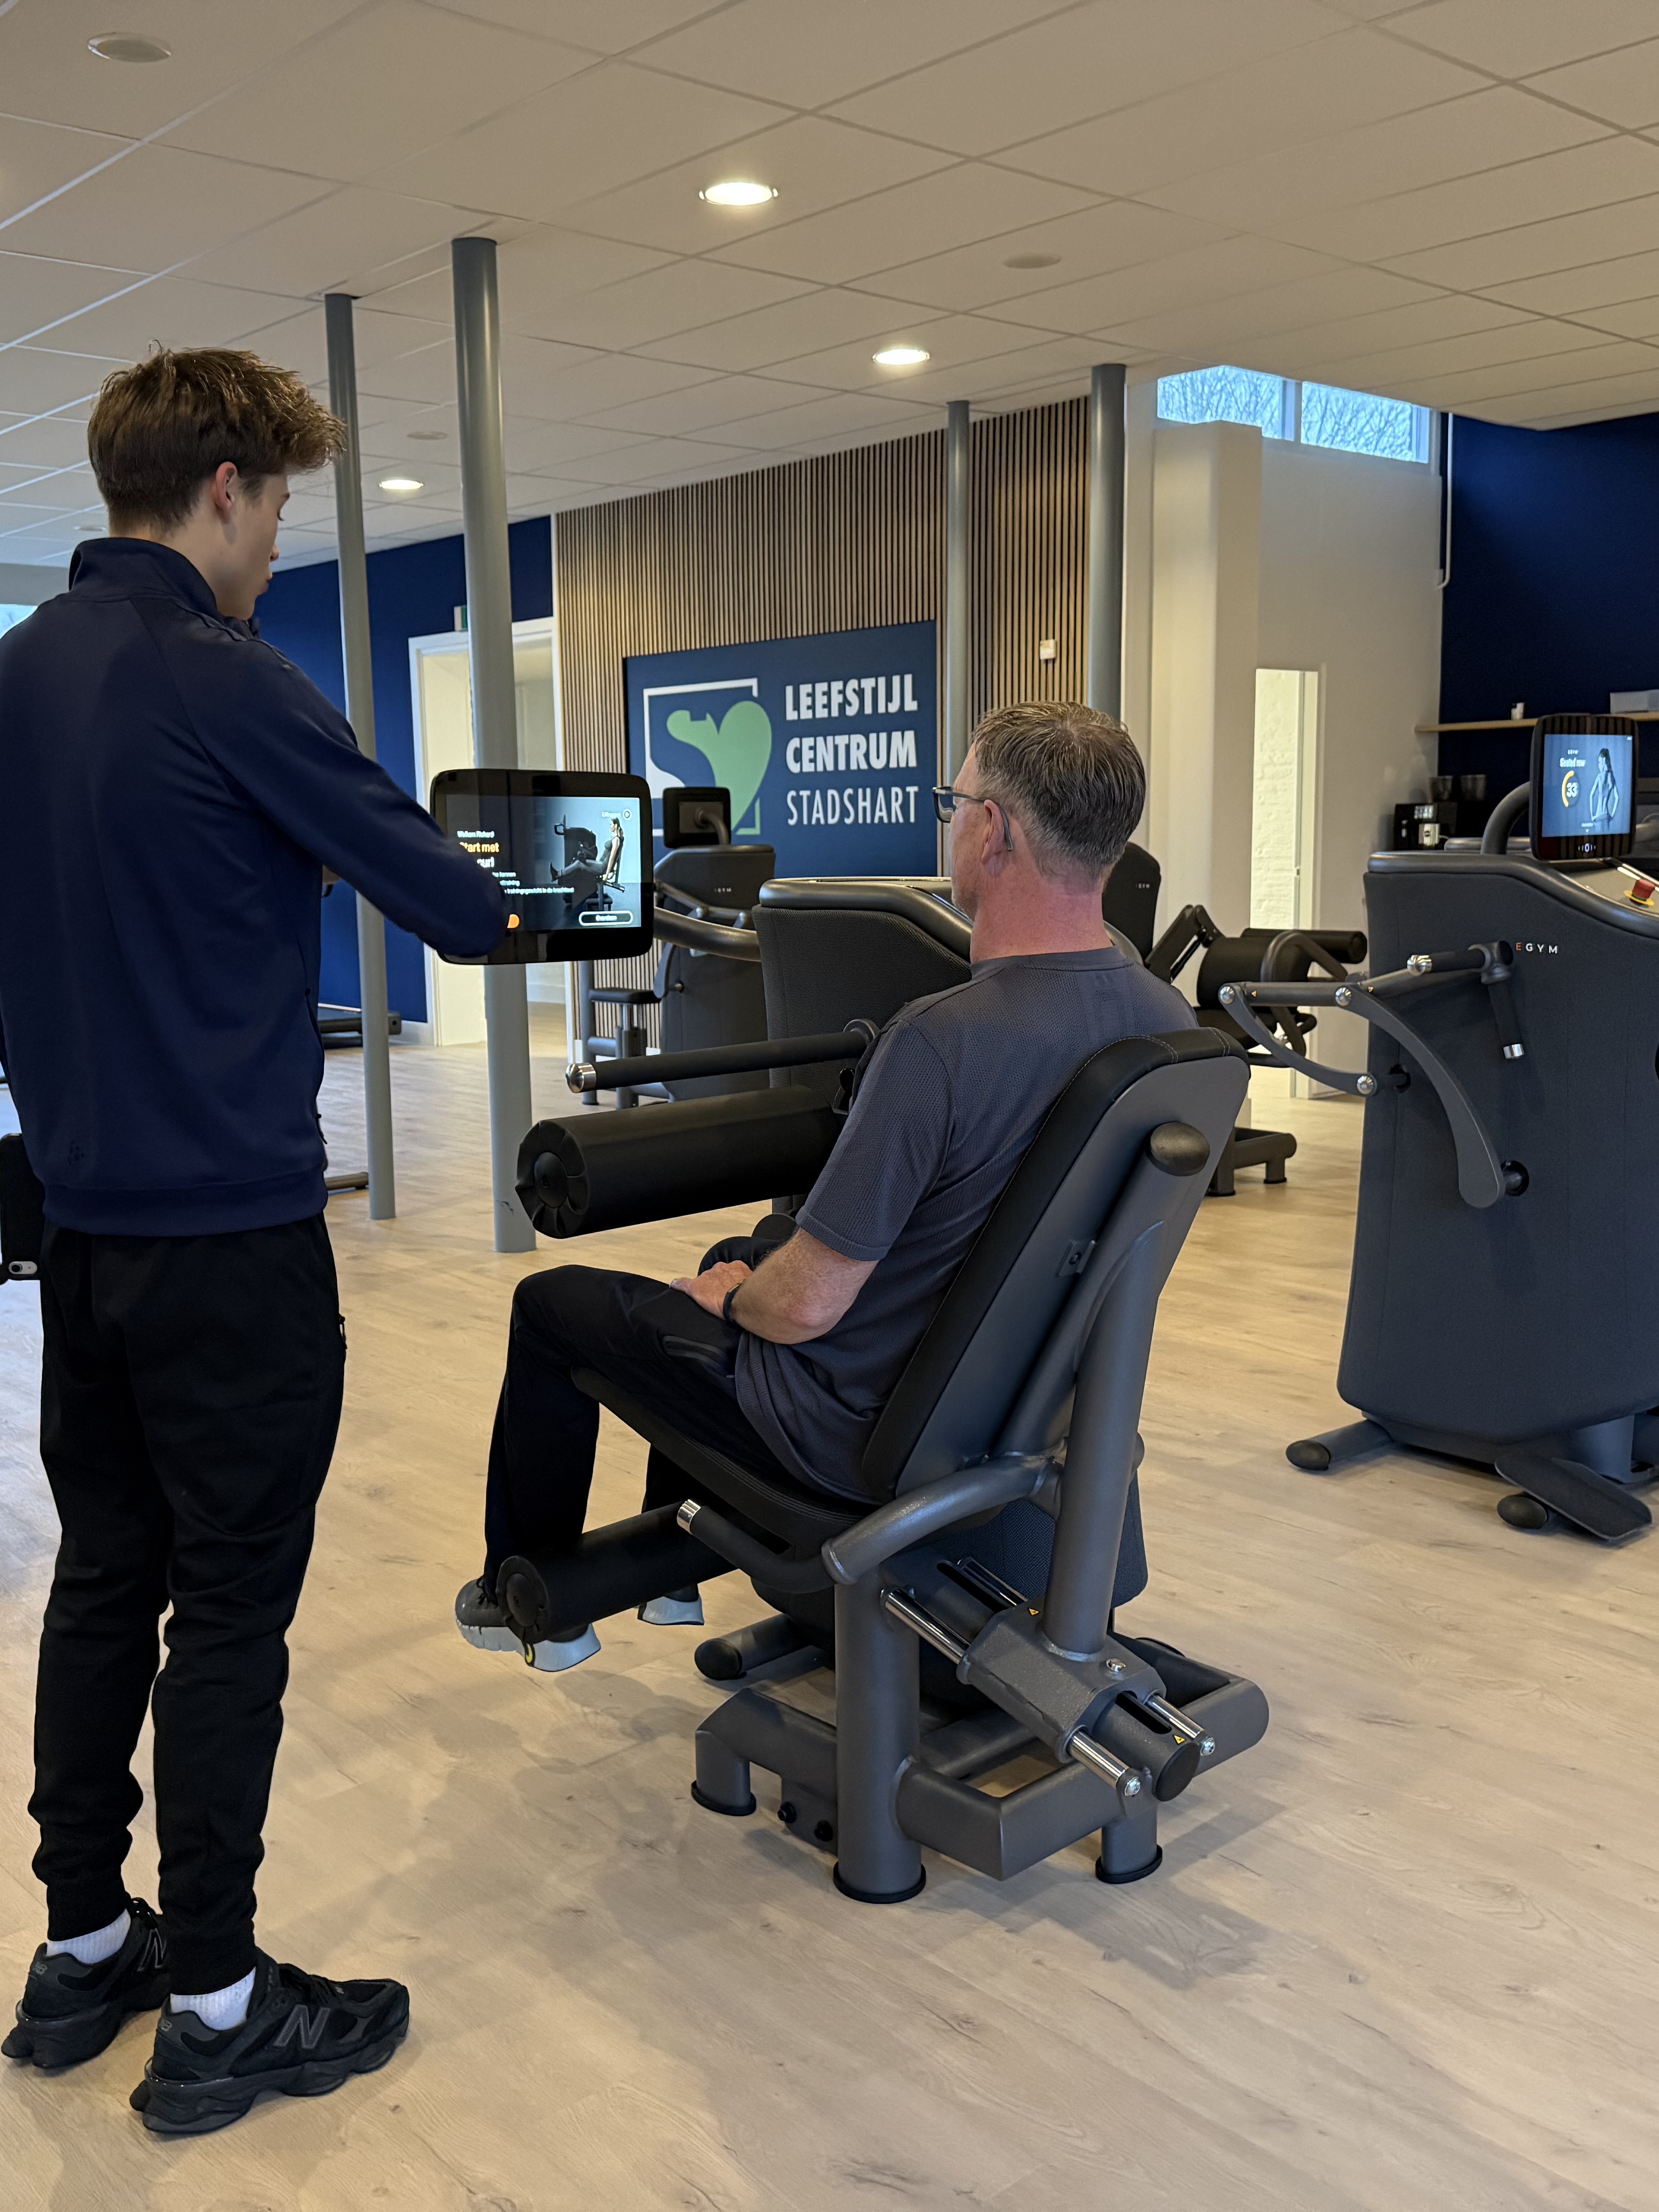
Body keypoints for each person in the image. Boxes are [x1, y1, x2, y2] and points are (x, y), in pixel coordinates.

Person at [0, 346, 511, 2138]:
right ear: (225, 487)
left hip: (85, 1238)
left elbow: (25, 951)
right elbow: (464, 906)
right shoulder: (227, 674)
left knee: (107, 1577)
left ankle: (83, 1947)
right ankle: (214, 2002)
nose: (276, 546)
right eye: (276, 510)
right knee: (232, 1618)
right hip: (231, 1246)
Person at [455, 700, 1188, 1670]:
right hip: (1014, 1404)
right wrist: (744, 1273)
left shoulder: (939, 1041)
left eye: (953, 803)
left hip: (849, 1431)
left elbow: (803, 1308)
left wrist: (735, 1299)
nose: (950, 823)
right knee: (741, 1251)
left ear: (993, 831)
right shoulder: (1168, 1022)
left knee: (554, 1306)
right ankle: (671, 1575)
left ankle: (526, 1604)